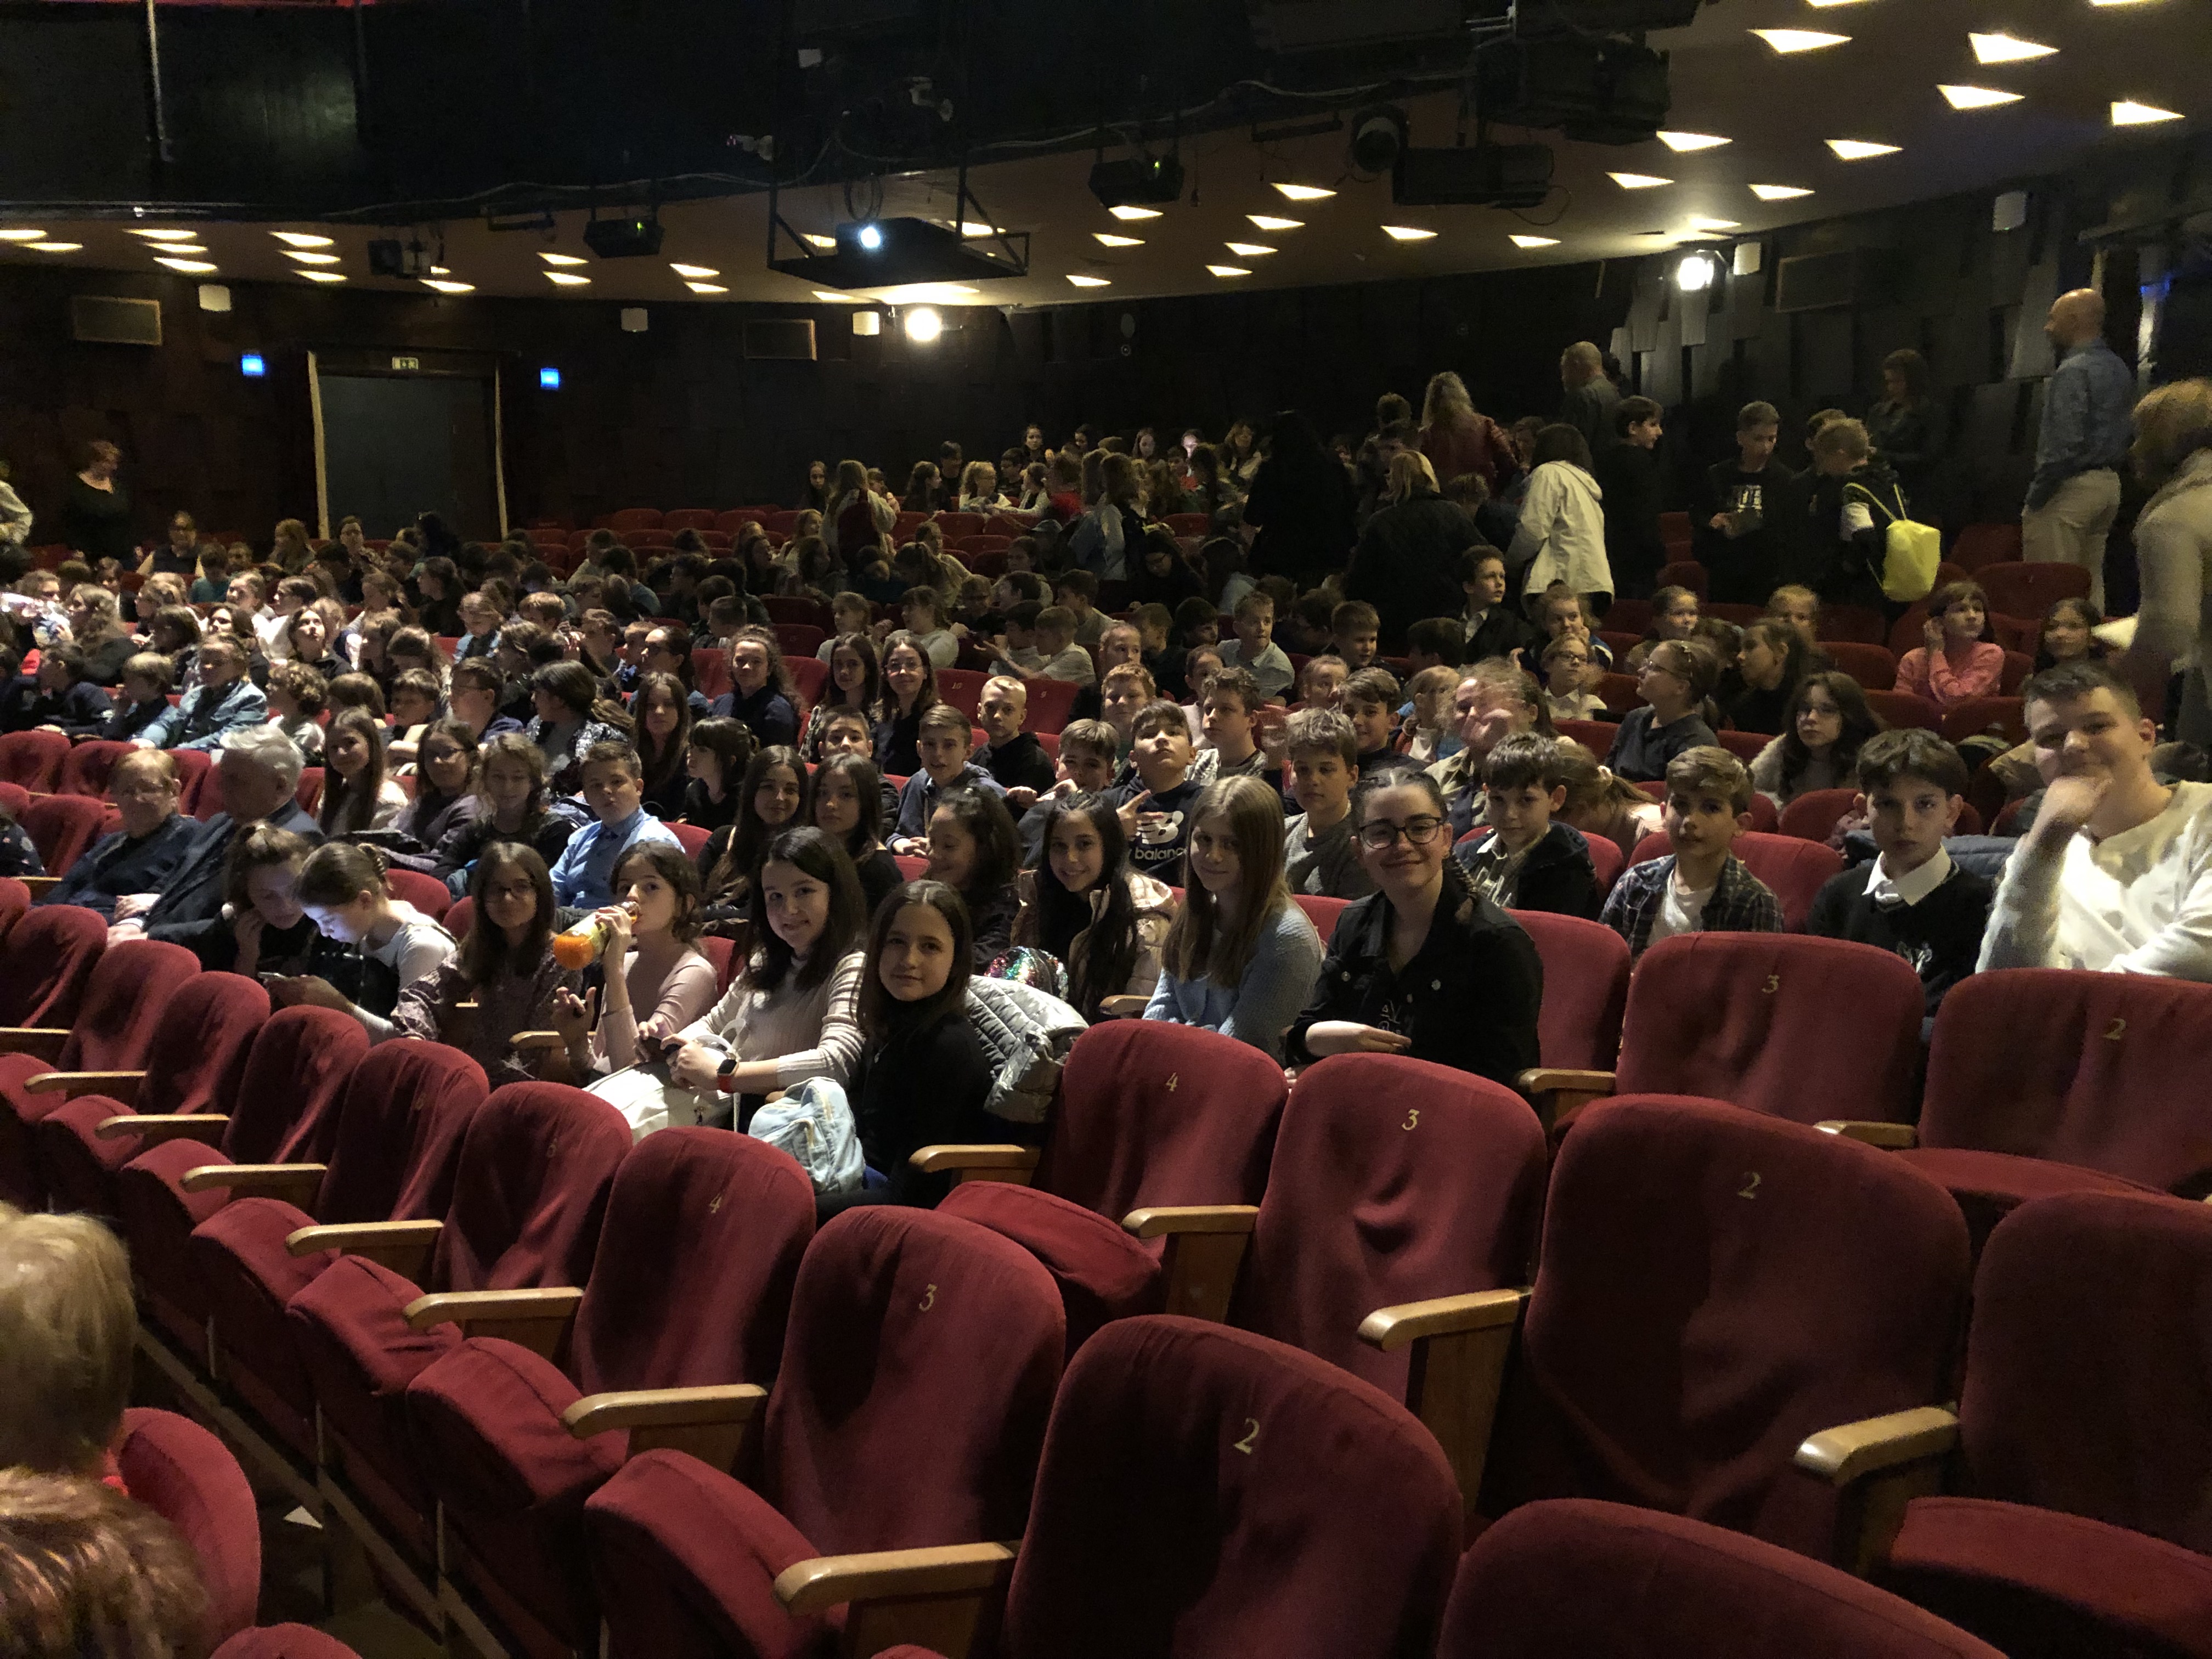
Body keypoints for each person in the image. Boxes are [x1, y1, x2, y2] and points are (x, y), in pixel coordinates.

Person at [1288, 769, 1542, 1086]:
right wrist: (1315, 1039)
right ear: (1359, 851)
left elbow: (1495, 1083)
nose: (1402, 845)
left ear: (1446, 839)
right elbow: (1305, 1032)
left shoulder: (1498, 944)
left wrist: (1358, 1071)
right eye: (1381, 833)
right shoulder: (1355, 921)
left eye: (1420, 828)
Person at [1979, 661, 2212, 978]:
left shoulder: (2204, 812)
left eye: (2096, 726)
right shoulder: (2037, 854)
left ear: (2145, 737)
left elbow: (2201, 951)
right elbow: (2004, 982)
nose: (2074, 745)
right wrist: (2043, 848)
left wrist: (2075, 995)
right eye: (2051, 737)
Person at [665, 827, 868, 1128]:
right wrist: (677, 1046)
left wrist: (726, 1075)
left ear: (835, 894)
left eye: (804, 891)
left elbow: (836, 1063)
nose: (789, 909)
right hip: (729, 1110)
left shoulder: (852, 966)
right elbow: (715, 1023)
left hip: (777, 1126)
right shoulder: (767, 956)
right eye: (775, 896)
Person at [817, 881, 997, 1214]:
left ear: (956, 961)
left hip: (905, 1209)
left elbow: (909, 1195)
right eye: (896, 942)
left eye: (930, 947)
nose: (909, 960)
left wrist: (801, 1205)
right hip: (853, 1174)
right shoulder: (889, 1023)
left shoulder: (949, 1047)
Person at [1804, 730, 1992, 1023]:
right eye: (1887, 804)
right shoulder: (1838, 895)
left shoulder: (1980, 907)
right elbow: (1814, 1002)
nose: (1906, 824)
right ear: (1863, 808)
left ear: (1951, 812)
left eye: (1925, 804)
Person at [1144, 774, 1323, 1060]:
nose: (1213, 856)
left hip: (1233, 1078)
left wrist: (1171, 1050)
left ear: (1262, 851)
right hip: (1176, 1068)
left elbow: (1236, 1052)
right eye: (1204, 839)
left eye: (1232, 844)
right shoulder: (1198, 909)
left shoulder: (1287, 938)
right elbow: (1160, 1009)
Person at [394, 843, 581, 1085]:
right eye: (496, 889)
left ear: (540, 894)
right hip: (470, 1071)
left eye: (521, 887)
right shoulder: (481, 947)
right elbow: (421, 994)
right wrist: (416, 1038)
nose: (507, 898)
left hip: (520, 1081)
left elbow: (535, 1051)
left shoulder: (561, 957)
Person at [116, 725, 319, 940]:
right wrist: (137, 921)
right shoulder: (221, 821)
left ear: (280, 785)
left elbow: (239, 925)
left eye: (235, 780)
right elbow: (177, 878)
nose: (221, 787)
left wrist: (150, 937)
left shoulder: (299, 840)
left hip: (193, 950)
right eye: (223, 777)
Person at [1601, 746, 1784, 962]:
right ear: (1663, 813)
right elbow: (1604, 964)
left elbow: (1752, 980)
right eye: (1681, 805)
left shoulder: (1755, 902)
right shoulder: (1635, 883)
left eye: (1711, 808)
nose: (1690, 820)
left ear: (1740, 824)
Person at [549, 841, 716, 1078]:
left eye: (651, 887)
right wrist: (577, 1042)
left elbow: (629, 1072)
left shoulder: (694, 973)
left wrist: (614, 970)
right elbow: (600, 1070)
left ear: (683, 905)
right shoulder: (626, 962)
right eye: (625, 887)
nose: (632, 896)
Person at [271, 841, 458, 1038]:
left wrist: (340, 1006)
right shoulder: (359, 930)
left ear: (365, 900)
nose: (324, 932)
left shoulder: (423, 948)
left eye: (328, 920)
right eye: (318, 923)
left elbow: (410, 1041)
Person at [1017, 792, 1176, 1019]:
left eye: (1084, 844)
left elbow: (1141, 1016)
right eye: (1059, 846)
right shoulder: (1041, 896)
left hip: (1107, 1035)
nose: (1070, 858)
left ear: (1108, 846)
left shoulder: (1146, 917)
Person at [2113, 379, 2212, 742]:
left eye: (2141, 434)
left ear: (2164, 440)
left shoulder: (2173, 518)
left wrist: (2109, 690)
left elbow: (2169, 632)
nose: (2134, 447)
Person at [2022, 289, 2133, 612]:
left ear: (2073, 320)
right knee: (2090, 581)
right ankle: (2092, 641)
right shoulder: (2118, 367)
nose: (2047, 327)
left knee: (2052, 587)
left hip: (2071, 487)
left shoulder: (2073, 370)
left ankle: (2055, 646)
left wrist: (2037, 498)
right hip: (2109, 484)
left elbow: (2063, 445)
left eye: (2053, 319)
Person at [1342, 451, 1480, 650]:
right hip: (1447, 613)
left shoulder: (1381, 522)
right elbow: (1478, 558)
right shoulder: (1454, 514)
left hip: (1394, 620)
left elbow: (1360, 579)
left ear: (1395, 480)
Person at [33, 749, 192, 918]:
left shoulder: (191, 837)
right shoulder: (111, 842)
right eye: (126, 791)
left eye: (148, 789)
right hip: (71, 917)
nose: (136, 799)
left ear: (174, 790)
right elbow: (65, 889)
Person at [1457, 733, 1601, 918]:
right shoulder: (1466, 855)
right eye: (1498, 799)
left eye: (1526, 800)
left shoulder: (1567, 875)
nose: (1509, 815)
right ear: (1486, 793)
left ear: (1556, 799)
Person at [432, 731, 588, 895]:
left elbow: (542, 889)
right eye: (498, 777)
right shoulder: (477, 830)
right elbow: (440, 876)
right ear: (486, 781)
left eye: (518, 778)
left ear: (533, 782)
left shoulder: (554, 831)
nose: (507, 787)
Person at [547, 740, 684, 911]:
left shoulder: (656, 842)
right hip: (565, 923)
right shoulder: (580, 838)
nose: (606, 790)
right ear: (586, 796)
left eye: (617, 781)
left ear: (638, 788)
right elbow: (551, 892)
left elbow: (656, 913)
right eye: (596, 785)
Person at [1429, 660, 1554, 839]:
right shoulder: (1436, 776)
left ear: (1531, 713)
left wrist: (1508, 747)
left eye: (1486, 705)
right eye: (1464, 708)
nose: (1473, 714)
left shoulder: (1556, 770)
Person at [1696, 401, 1802, 605]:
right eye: (1758, 439)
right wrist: (1712, 524)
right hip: (1726, 572)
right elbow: (1700, 517)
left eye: (1771, 439)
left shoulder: (1786, 479)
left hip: (1768, 575)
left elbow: (1790, 532)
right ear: (1741, 438)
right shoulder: (1718, 475)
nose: (1766, 447)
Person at [1241, 411, 1357, 588]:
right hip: (1330, 553)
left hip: (1284, 556)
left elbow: (1252, 516)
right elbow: (1350, 503)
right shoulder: (1332, 464)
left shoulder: (1271, 469)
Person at [699, 744, 810, 925]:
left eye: (790, 790)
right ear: (752, 792)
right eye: (768, 787)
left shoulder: (804, 854)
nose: (779, 797)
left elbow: (764, 917)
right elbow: (689, 900)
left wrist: (708, 915)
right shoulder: (723, 838)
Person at [1509, 424, 1610, 611]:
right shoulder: (1585, 484)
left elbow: (1532, 531)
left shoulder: (1548, 473)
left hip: (1559, 581)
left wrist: (1509, 564)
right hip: (1595, 582)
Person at [922, 785, 1022, 968]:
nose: (933, 854)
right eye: (932, 841)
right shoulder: (925, 892)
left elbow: (982, 963)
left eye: (949, 846)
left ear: (985, 849)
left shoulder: (1006, 907)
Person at [1750, 670, 1883, 808]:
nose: (1810, 718)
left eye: (1827, 710)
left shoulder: (1871, 760)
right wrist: (1782, 809)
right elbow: (1747, 790)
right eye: (1805, 709)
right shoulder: (1784, 746)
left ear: (1850, 716)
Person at [1111, 699, 1206, 885]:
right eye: (1149, 735)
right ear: (1133, 759)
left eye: (1173, 733)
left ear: (1192, 754)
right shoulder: (1109, 804)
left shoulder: (1208, 804)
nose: (1162, 738)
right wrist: (1111, 830)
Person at [1282, 707, 1373, 900]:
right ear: (1290, 774)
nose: (1313, 780)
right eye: (1303, 770)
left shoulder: (1361, 846)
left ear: (1352, 776)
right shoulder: (1281, 833)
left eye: (1326, 770)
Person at [890, 703, 1009, 850]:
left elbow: (1000, 851)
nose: (938, 753)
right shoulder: (917, 782)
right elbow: (900, 833)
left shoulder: (986, 794)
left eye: (949, 745)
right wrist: (901, 843)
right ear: (919, 749)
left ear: (968, 752)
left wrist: (939, 848)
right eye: (930, 744)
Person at [1605, 640, 1719, 782]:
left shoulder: (1698, 742)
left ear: (1681, 687)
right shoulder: (1635, 718)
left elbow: (1678, 794)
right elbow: (1608, 773)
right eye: (1646, 663)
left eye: (1653, 668)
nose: (1641, 671)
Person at [133, 635, 267, 752]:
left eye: (218, 663)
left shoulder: (252, 699)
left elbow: (227, 738)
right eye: (204, 661)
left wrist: (177, 752)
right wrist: (149, 740)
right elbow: (168, 722)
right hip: (176, 755)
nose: (207, 667)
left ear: (239, 667)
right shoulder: (194, 694)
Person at [813, 749, 904, 918]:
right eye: (822, 793)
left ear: (866, 802)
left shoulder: (879, 870)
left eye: (846, 795)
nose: (830, 804)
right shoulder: (813, 853)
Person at [1593, 395, 1668, 600]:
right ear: (1633, 428)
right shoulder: (1640, 463)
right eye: (1653, 425)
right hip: (1637, 559)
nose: (1659, 432)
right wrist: (1659, 557)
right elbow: (1644, 516)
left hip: (1612, 552)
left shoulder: (1606, 459)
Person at [527, 660, 634, 795]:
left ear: (559, 700)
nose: (533, 699)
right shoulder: (536, 726)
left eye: (538, 693)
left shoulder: (603, 735)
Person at [1865, 349, 1948, 524]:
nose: (1892, 388)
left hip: (1917, 495)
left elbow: (1930, 458)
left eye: (1898, 382)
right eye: (1889, 382)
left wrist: (1881, 455)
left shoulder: (1932, 413)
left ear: (1914, 381)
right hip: (1882, 493)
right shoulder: (1878, 412)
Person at [1896, 579, 2004, 709]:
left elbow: (1957, 699)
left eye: (1978, 609)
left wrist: (1936, 654)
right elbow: (1901, 708)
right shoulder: (1913, 659)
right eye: (1960, 610)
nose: (1972, 616)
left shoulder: (1991, 654)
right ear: (1938, 621)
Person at [1418, 369, 1517, 494]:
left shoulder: (1428, 434)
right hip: (1479, 496)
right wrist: (1495, 490)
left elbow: (1420, 474)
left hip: (1444, 498)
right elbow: (1509, 463)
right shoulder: (1485, 425)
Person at [314, 706, 408, 834]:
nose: (341, 753)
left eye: (350, 743)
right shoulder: (333, 793)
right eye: (334, 747)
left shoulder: (389, 801)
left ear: (371, 744)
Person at [711, 627, 799, 748]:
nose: (747, 667)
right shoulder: (721, 702)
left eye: (756, 662)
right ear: (731, 665)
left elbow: (775, 757)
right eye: (740, 660)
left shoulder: (777, 711)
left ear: (769, 669)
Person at [1723, 618, 1810, 738]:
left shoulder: (1809, 705)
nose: (1740, 656)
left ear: (1781, 652)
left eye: (1750, 647)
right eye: (1741, 649)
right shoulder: (1742, 707)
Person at [0, 642, 110, 737]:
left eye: (42, 663)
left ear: (60, 666)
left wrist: (64, 732)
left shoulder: (88, 692)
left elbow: (107, 726)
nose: (37, 670)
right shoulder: (47, 698)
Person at [801, 633, 879, 761]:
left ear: (867, 669)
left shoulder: (881, 715)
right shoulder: (821, 711)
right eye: (838, 664)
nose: (844, 671)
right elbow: (806, 759)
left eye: (853, 664)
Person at [873, 631, 939, 778]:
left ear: (925, 672)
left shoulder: (938, 722)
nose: (903, 672)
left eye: (911, 665)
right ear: (885, 674)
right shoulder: (880, 717)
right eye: (895, 666)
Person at [630, 670, 694, 821]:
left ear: (681, 710)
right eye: (651, 706)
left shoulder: (693, 755)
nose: (659, 712)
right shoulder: (631, 754)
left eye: (669, 704)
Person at [1459, 546, 1537, 664]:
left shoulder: (1513, 627)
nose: (1500, 583)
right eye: (1490, 576)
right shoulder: (1450, 619)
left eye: (1502, 576)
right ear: (1469, 587)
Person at [59, 440, 131, 565]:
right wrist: (76, 548)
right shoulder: (76, 488)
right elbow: (69, 522)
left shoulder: (117, 485)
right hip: (92, 555)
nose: (114, 467)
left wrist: (135, 544)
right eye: (109, 463)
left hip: (123, 554)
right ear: (94, 462)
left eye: (115, 463)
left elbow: (128, 517)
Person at [1215, 589, 1293, 704]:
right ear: (1237, 628)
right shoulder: (1224, 649)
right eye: (1254, 622)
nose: (1262, 628)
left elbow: (1255, 706)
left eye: (1267, 622)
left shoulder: (1279, 668)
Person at [680, 714, 755, 833]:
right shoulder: (694, 791)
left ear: (730, 761)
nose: (690, 755)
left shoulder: (747, 799)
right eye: (691, 747)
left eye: (703, 750)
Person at [1198, 666, 1268, 781]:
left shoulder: (1267, 772)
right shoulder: (1195, 762)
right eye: (1208, 709)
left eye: (1226, 709)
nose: (1212, 716)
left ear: (1252, 720)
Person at [1557, 341, 1621, 460]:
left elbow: (1571, 446)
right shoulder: (1614, 392)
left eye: (1564, 369)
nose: (1563, 378)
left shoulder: (1582, 396)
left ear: (1576, 366)